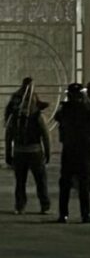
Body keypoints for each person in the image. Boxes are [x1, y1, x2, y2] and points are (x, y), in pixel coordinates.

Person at [5, 79, 51, 215]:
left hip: (19, 151)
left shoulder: (15, 115)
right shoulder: (37, 115)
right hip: (35, 150)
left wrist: (8, 153)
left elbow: (9, 136)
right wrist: (47, 152)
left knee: (20, 181)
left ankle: (20, 206)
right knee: (40, 180)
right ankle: (44, 205)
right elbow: (45, 135)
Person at [55, 83, 90, 223]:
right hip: (83, 151)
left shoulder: (65, 109)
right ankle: (85, 215)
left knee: (65, 184)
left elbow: (58, 119)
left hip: (68, 150)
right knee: (84, 184)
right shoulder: (87, 110)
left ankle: (63, 215)